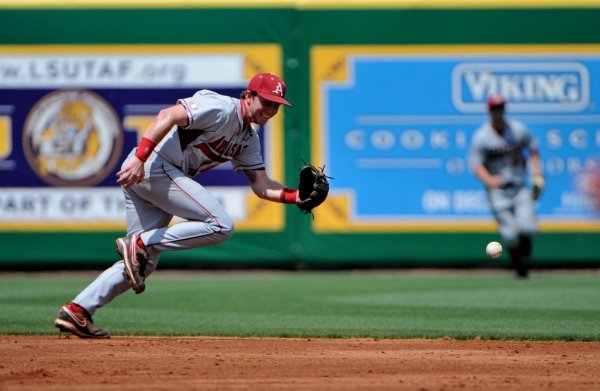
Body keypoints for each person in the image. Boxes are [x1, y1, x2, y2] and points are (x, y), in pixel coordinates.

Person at [54, 73, 302, 338]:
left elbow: (261, 185)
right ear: (248, 96)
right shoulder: (221, 107)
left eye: (276, 105)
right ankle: (139, 243)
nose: (271, 109)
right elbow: (168, 115)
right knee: (221, 225)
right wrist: (140, 158)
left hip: (154, 171)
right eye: (266, 102)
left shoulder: (248, 139)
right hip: (153, 165)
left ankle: (78, 310)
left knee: (142, 264)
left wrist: (297, 196)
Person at [468, 95, 544, 279]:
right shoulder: (482, 137)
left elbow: (533, 149)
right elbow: (476, 165)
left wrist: (537, 173)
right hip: (497, 190)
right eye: (494, 108)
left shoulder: (517, 130)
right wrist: (489, 180)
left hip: (519, 185)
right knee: (510, 234)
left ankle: (523, 254)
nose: (498, 111)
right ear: (489, 111)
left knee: (528, 229)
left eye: (500, 107)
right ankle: (520, 269)